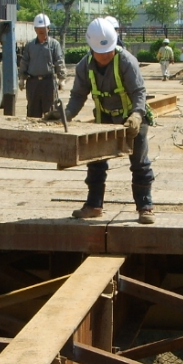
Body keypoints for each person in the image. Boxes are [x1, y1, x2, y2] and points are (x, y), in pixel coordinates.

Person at [52, 17, 155, 225]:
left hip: (132, 117)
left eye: (109, 50)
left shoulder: (126, 61)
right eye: (101, 52)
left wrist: (136, 115)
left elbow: (139, 92)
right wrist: (66, 114)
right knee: (96, 162)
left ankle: (145, 206)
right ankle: (94, 205)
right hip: (104, 117)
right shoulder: (84, 66)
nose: (106, 54)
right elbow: (78, 96)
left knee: (140, 163)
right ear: (91, 48)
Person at [18, 13, 66, 118]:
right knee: (32, 111)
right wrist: (22, 78)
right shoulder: (30, 46)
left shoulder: (54, 44)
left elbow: (59, 61)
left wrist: (61, 79)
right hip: (33, 83)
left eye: (43, 28)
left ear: (48, 28)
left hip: (48, 83)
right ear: (35, 29)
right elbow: (24, 61)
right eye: (39, 28)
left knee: (49, 112)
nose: (41, 31)